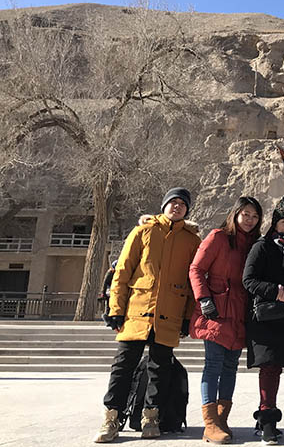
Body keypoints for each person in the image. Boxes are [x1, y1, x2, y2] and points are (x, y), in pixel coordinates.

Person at [94, 187, 201, 443]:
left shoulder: (191, 240)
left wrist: (187, 317)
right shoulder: (143, 231)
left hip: (170, 313)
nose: (177, 207)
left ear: (187, 210)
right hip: (137, 311)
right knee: (123, 366)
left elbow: (191, 283)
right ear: (164, 205)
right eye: (173, 203)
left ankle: (151, 416)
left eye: (182, 205)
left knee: (160, 367)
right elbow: (122, 271)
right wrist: (116, 309)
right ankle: (112, 416)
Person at [189, 196, 262, 443]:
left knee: (231, 368)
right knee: (213, 365)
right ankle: (209, 423)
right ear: (236, 214)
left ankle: (222, 419)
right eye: (246, 214)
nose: (250, 220)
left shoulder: (254, 244)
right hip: (216, 308)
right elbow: (196, 269)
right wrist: (204, 299)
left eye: (255, 216)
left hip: (240, 311)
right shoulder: (218, 237)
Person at [242, 196, 284, 445]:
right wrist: (279, 292)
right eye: (283, 222)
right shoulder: (262, 246)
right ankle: (267, 420)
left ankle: (265, 418)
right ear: (275, 224)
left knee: (275, 368)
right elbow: (249, 280)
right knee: (268, 367)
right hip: (265, 317)